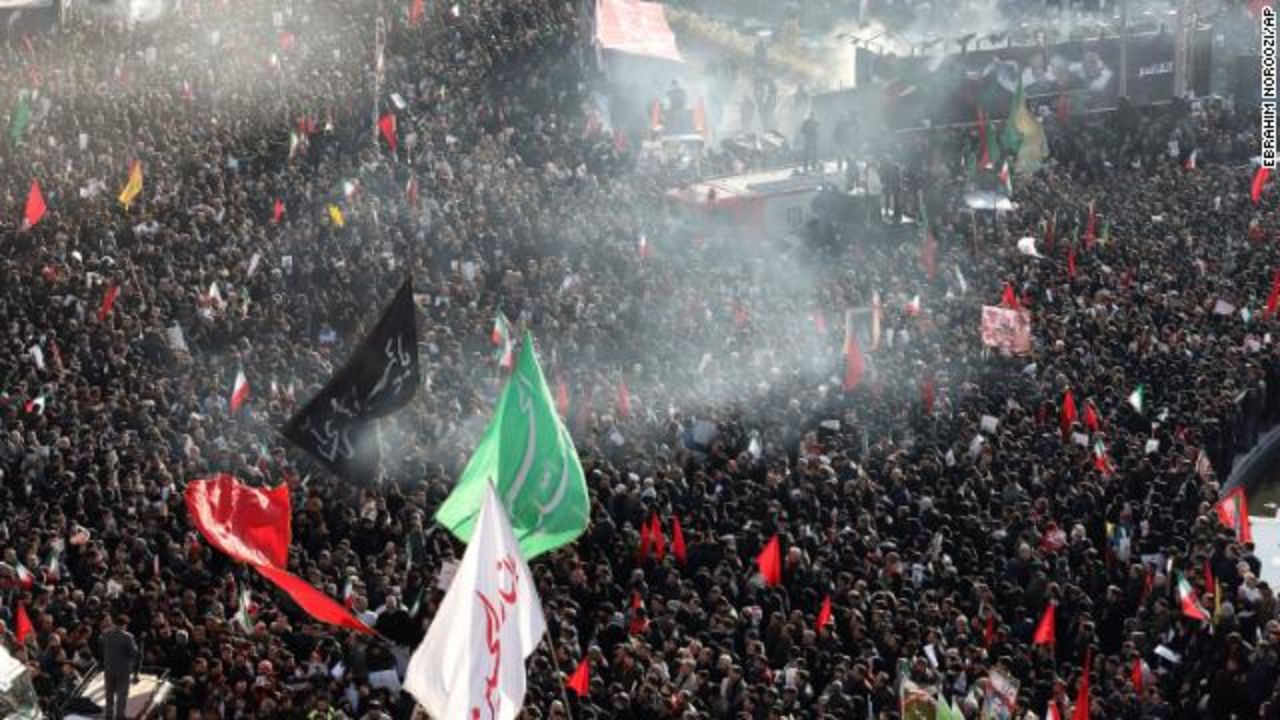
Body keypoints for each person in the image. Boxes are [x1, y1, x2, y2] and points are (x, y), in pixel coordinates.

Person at [101, 615, 138, 720]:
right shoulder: (128, 636)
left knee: (109, 694)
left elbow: (101, 644)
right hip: (123, 670)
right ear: (124, 625)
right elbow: (134, 653)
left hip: (109, 668)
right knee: (121, 695)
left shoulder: (106, 634)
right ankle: (120, 716)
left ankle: (108, 716)